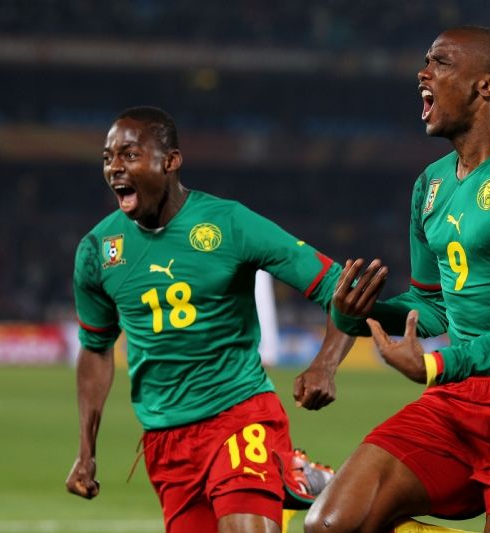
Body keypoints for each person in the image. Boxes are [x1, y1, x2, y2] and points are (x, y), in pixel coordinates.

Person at [305, 26, 490, 533]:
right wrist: (364, 312)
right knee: (331, 524)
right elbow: (434, 304)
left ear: (489, 84)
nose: (423, 73)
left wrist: (438, 364)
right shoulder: (431, 185)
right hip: (463, 393)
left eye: (440, 62)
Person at [66, 106, 351, 533]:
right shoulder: (97, 251)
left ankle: (278, 469)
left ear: (171, 161)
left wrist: (325, 364)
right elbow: (95, 348)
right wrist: (86, 451)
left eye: (129, 155)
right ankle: (286, 472)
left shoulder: (228, 223)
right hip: (166, 442)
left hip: (239, 415)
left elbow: (337, 286)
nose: (114, 168)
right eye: (108, 158)